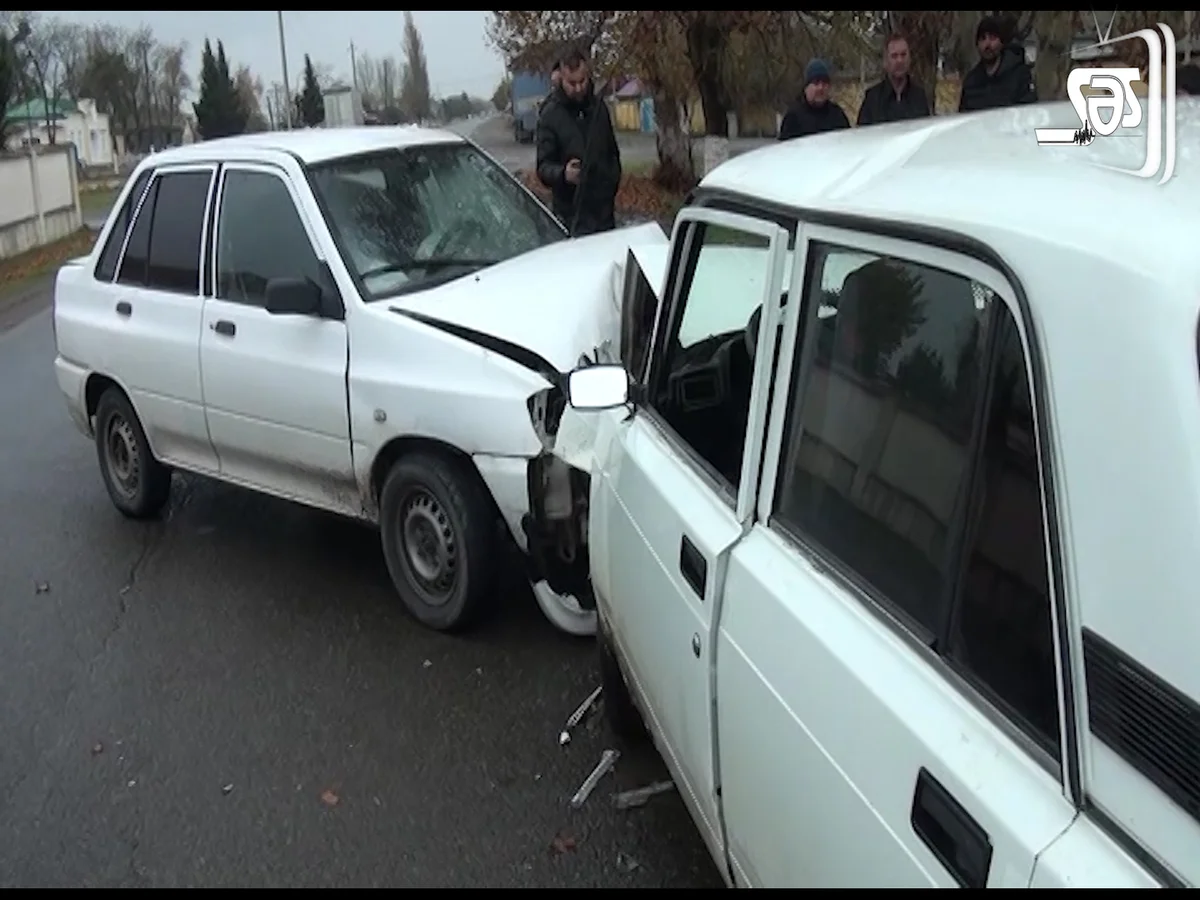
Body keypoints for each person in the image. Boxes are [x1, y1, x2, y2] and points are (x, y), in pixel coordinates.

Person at [535, 44, 622, 236]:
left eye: (582, 81)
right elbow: (542, 167)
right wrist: (563, 174)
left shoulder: (599, 109)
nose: (578, 88)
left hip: (604, 216)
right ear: (561, 79)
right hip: (571, 217)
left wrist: (610, 187)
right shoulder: (550, 115)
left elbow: (612, 153)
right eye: (571, 83)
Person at [959, 16, 1037, 112]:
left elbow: (1029, 111)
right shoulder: (971, 82)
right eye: (982, 38)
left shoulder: (1019, 75)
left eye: (992, 38)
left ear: (1001, 43)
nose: (987, 44)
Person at [857, 34, 932, 126]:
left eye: (903, 55)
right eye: (894, 56)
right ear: (885, 61)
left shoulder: (919, 97)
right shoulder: (873, 99)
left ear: (909, 59)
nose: (899, 61)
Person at [779, 59, 851, 141]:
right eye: (816, 83)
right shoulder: (793, 117)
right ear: (806, 87)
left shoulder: (837, 114)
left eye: (824, 83)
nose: (820, 88)